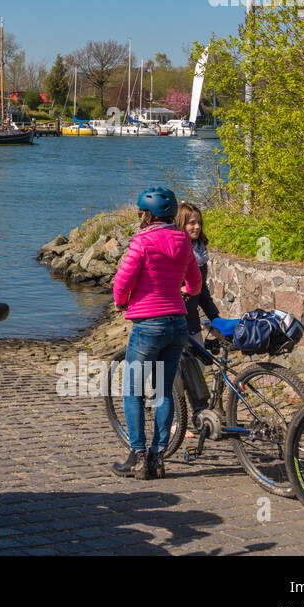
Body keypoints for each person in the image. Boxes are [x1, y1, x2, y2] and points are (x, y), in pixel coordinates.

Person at [111, 187, 202, 480]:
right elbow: (195, 284)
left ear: (147, 215)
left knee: (133, 390)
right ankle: (158, 457)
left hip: (149, 323)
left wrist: (121, 300)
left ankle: (138, 457)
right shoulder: (184, 242)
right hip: (178, 322)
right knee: (164, 390)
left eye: (141, 212)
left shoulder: (143, 241)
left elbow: (122, 280)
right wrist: (182, 293)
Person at [174, 201, 221, 428]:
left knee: (198, 369)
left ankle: (197, 415)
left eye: (199, 222)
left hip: (192, 321)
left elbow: (203, 292)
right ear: (180, 224)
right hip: (174, 319)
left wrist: (217, 320)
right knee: (176, 374)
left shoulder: (200, 252)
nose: (196, 227)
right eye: (191, 223)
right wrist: (179, 290)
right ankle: (174, 420)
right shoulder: (175, 251)